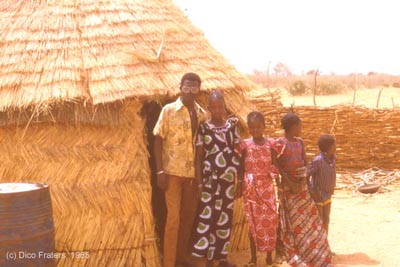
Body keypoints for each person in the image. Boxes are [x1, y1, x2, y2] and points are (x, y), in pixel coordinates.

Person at [153, 72, 207, 267]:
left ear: (198, 90)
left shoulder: (202, 114)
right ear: (180, 87)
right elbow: (158, 139)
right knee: (173, 219)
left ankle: (181, 258)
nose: (190, 91)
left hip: (192, 176)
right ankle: (168, 262)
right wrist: (160, 171)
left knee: (187, 219)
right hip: (172, 174)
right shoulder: (168, 111)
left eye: (194, 88)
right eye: (187, 87)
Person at [273, 113, 333, 267]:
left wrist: (303, 182)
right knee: (293, 221)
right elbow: (277, 164)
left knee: (310, 220)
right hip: (288, 187)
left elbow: (304, 162)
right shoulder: (280, 143)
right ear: (292, 127)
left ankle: (313, 250)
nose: (301, 128)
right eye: (299, 125)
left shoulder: (300, 142)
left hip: (301, 187)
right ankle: (297, 250)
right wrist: (289, 182)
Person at [191, 90, 240, 267]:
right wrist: (199, 183)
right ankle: (208, 259)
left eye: (221, 106)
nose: (218, 110)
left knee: (224, 218)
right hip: (210, 180)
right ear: (209, 108)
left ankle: (221, 259)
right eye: (215, 107)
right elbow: (199, 156)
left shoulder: (232, 127)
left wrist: (239, 180)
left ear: (224, 107)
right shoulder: (204, 128)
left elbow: (238, 153)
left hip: (227, 181)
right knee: (208, 217)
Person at [237, 111, 280, 267]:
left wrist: (279, 185)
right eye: (252, 128)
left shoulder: (271, 144)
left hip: (267, 188)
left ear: (264, 127)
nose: (255, 131)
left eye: (258, 127)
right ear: (248, 128)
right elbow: (241, 167)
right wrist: (239, 183)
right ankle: (253, 258)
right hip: (250, 188)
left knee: (269, 222)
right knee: (253, 223)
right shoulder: (245, 145)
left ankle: (269, 256)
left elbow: (275, 164)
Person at [308, 134, 336, 234]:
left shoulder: (332, 159)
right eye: (334, 144)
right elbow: (307, 175)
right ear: (329, 147)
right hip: (318, 195)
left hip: (327, 194)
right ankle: (319, 245)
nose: (335, 146)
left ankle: (325, 244)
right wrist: (312, 192)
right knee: (319, 221)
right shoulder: (318, 161)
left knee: (326, 220)